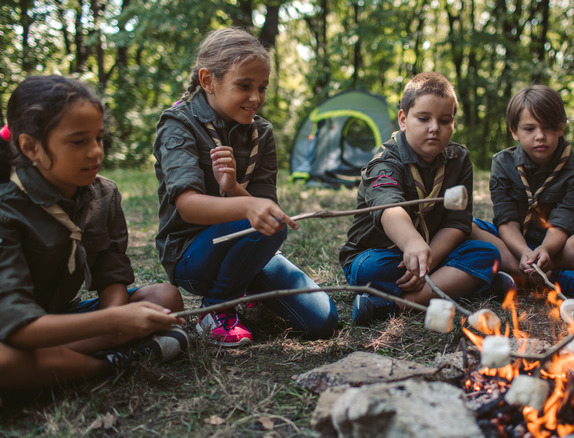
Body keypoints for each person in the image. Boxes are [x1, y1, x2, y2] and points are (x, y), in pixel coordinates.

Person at [0, 76, 187, 392]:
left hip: (62, 319)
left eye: (98, 138)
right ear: (30, 146)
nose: (95, 152)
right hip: (15, 330)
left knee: (163, 297)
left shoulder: (103, 193)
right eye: (78, 141)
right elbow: (17, 327)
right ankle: (112, 365)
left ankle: (52, 364)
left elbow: (110, 271)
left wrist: (116, 316)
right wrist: (115, 324)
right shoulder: (7, 208)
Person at [153, 28, 338, 347]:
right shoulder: (179, 124)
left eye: (262, 88)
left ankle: (241, 282)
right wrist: (247, 207)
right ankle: (216, 307)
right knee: (269, 224)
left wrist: (235, 188)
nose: (256, 98)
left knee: (322, 321)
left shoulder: (261, 133)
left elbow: (264, 208)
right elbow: (188, 204)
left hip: (248, 248)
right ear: (208, 80)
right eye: (244, 86)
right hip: (190, 255)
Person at [340, 71, 503, 325]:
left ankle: (394, 305)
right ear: (403, 120)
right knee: (368, 269)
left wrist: (428, 261)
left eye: (445, 120)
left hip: (434, 255)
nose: (434, 128)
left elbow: (457, 223)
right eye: (424, 118)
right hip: (385, 255)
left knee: (487, 252)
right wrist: (412, 243)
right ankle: (464, 283)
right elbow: (389, 208)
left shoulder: (458, 159)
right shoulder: (385, 162)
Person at [471, 85, 574, 299]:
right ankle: (562, 280)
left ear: (560, 128)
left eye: (548, 127)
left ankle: (524, 277)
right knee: (464, 225)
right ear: (514, 131)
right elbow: (507, 221)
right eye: (529, 129)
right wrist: (524, 253)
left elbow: (561, 224)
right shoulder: (502, 163)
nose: (540, 136)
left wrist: (546, 250)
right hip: (517, 247)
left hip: (564, 246)